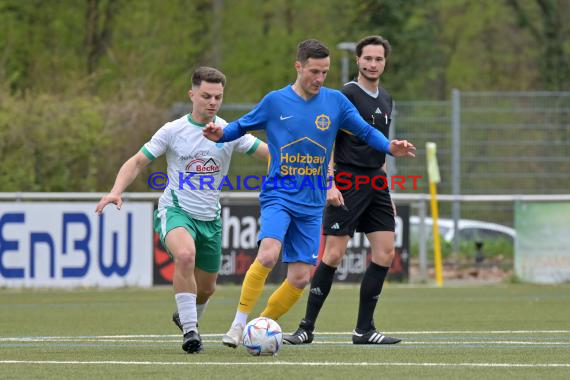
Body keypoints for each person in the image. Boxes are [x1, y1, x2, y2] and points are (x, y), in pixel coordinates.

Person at [202, 39, 415, 348]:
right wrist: (221, 134)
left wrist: (389, 147)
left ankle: (259, 327)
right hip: (279, 193)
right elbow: (242, 126)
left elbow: (366, 132)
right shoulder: (276, 101)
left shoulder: (336, 102)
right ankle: (238, 324)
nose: (319, 79)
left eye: (325, 72)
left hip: (312, 202)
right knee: (269, 253)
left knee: (301, 277)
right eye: (314, 71)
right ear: (298, 67)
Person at [95, 67, 268, 353]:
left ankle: (186, 315)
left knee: (208, 289)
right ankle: (190, 332)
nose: (212, 102)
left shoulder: (229, 131)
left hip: (210, 219)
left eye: (218, 97)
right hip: (176, 211)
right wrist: (116, 191)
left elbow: (268, 154)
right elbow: (138, 161)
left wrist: (298, 170)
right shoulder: (174, 131)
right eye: (206, 96)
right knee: (185, 255)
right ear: (192, 95)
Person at [283, 35, 402, 345]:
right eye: (368, 59)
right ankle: (306, 327)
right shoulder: (343, 96)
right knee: (334, 254)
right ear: (358, 61)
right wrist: (330, 182)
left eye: (378, 59)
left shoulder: (387, 99)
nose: (373, 64)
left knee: (386, 251)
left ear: (384, 63)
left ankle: (364, 329)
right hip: (347, 180)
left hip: (375, 182)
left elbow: (380, 149)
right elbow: (326, 141)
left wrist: (385, 190)